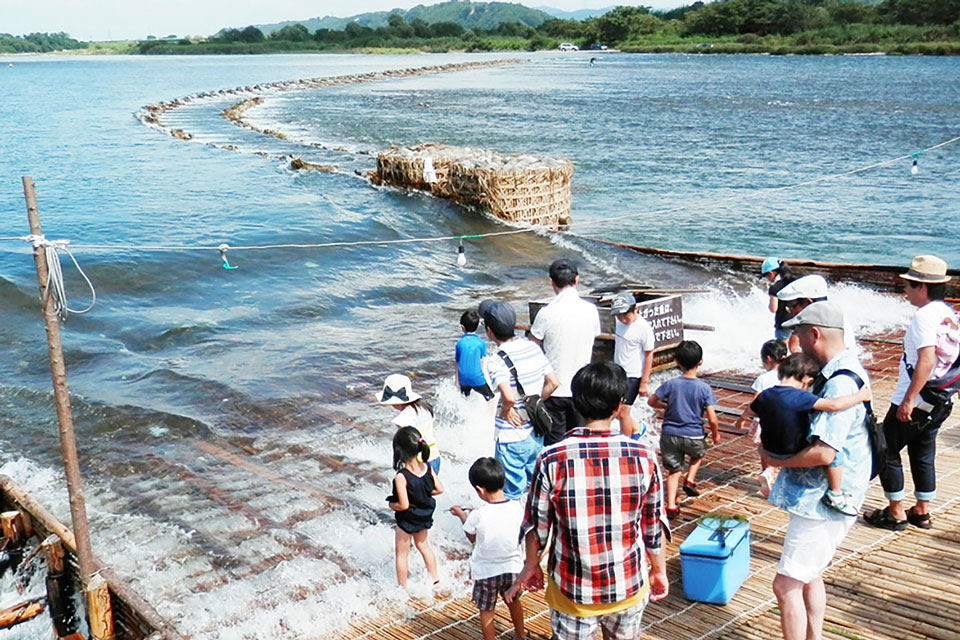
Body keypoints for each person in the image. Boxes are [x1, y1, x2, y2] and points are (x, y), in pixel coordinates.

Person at [506, 361, 669, 639]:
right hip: (627, 583)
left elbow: (537, 525)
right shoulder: (645, 457)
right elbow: (653, 526)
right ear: (619, 406)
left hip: (573, 590)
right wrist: (659, 570)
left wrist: (531, 566)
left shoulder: (552, 458)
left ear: (576, 404)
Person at [760, 301, 871, 640]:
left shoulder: (838, 383)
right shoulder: (851, 368)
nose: (797, 344)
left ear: (815, 334)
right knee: (810, 574)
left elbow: (824, 452)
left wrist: (775, 460)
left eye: (798, 336)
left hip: (821, 503)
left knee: (786, 585)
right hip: (833, 493)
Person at [865, 255, 957, 531]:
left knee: (884, 447)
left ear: (923, 287)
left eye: (909, 285)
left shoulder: (923, 317)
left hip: (918, 399)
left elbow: (926, 360)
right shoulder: (949, 314)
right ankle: (921, 510)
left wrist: (908, 401)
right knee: (922, 451)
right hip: (942, 399)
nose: (904, 290)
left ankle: (895, 512)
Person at [751, 353, 871, 515]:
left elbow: (751, 409)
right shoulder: (800, 397)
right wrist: (859, 396)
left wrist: (742, 421)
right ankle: (835, 493)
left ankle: (769, 471)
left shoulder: (766, 394)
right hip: (790, 451)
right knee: (833, 451)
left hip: (768, 451)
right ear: (807, 380)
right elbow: (834, 405)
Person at [483, 301, 559, 500]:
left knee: (510, 493)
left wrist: (506, 410)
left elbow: (507, 396)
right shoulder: (533, 348)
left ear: (489, 331)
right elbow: (553, 382)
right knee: (534, 487)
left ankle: (514, 528)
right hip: (536, 431)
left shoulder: (497, 360)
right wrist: (533, 403)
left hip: (511, 437)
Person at [450, 458, 526, 640]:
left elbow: (471, 536)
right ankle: (521, 635)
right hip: (513, 568)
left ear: (479, 490)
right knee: (514, 602)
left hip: (486, 571)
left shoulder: (478, 514)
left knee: (486, 610)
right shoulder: (517, 507)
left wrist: (462, 515)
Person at [529, 258, 601, 444]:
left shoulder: (546, 313)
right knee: (581, 441)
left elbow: (533, 348)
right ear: (576, 280)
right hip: (582, 388)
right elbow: (594, 335)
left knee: (555, 445)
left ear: (551, 282)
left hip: (554, 388)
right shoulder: (591, 310)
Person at [648, 340, 720, 519]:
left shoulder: (671, 384)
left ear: (677, 362)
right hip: (694, 434)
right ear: (700, 362)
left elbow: (651, 401)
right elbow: (712, 417)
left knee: (674, 470)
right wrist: (716, 434)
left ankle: (671, 506)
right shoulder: (704, 388)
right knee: (698, 455)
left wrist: (666, 407)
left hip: (670, 434)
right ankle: (690, 479)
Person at [388, 426, 444, 588]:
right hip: (424, 516)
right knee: (423, 546)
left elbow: (403, 505)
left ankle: (402, 587)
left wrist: (392, 505)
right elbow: (439, 489)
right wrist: (423, 493)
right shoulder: (427, 467)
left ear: (399, 450)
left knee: (402, 554)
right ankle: (435, 580)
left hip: (407, 520)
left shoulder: (401, 476)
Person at [735, 339, 789, 494]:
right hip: (783, 419)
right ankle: (772, 474)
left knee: (764, 449)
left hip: (764, 421)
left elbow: (755, 403)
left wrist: (741, 419)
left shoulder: (763, 379)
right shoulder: (788, 376)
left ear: (768, 359)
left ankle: (767, 473)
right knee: (779, 449)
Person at [610, 291, 654, 436]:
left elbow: (649, 355)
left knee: (623, 413)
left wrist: (644, 382)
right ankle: (637, 427)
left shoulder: (644, 328)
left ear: (635, 310)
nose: (622, 319)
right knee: (615, 410)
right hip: (618, 373)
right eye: (619, 316)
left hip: (634, 375)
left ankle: (626, 442)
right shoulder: (618, 323)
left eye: (626, 315)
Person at [776, 274, 857, 352]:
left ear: (808, 303)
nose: (791, 313)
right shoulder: (833, 318)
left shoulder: (825, 328)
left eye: (792, 307)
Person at [379, 374, 442, 474]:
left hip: (418, 462)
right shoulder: (425, 408)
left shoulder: (403, 419)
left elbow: (404, 445)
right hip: (434, 455)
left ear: (396, 403)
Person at [455, 309, 494, 401]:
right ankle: (489, 415)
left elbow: (457, 364)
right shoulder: (481, 343)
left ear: (462, 327)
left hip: (463, 379)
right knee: (490, 398)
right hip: (477, 378)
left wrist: (456, 382)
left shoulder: (460, 343)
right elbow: (481, 363)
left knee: (465, 400)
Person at [761, 257, 796, 344]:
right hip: (797, 320)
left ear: (770, 273)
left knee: (781, 349)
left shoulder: (775, 287)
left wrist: (769, 305)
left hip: (783, 322)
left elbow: (773, 309)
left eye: (765, 276)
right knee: (795, 348)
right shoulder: (794, 281)